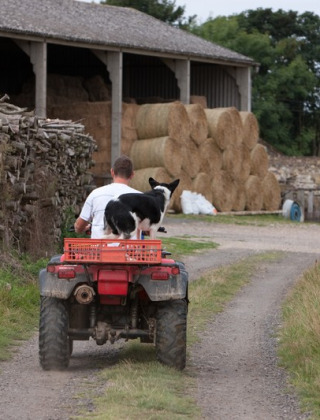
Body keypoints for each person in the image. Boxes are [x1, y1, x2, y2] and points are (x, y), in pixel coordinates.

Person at [74, 155, 141, 239]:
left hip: (99, 251)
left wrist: (80, 228)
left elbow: (79, 225)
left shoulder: (95, 194)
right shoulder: (141, 198)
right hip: (128, 251)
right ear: (132, 175)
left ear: (112, 172)